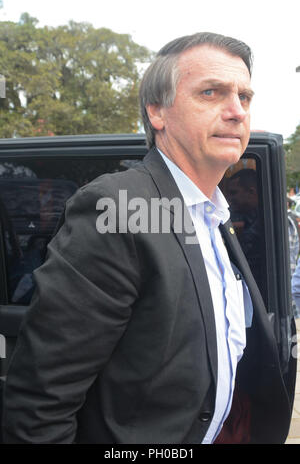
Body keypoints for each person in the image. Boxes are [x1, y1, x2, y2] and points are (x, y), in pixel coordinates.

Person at [2, 32, 293, 444]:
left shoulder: (214, 215)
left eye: (244, 97)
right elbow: (40, 403)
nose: (236, 111)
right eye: (211, 92)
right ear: (157, 111)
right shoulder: (117, 207)